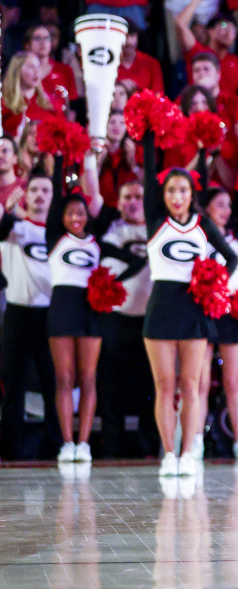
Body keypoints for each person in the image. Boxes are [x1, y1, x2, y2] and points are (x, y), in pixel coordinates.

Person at [139, 131, 238, 477]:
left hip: (194, 310)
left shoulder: (203, 224)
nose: (177, 196)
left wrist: (212, 283)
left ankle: (187, 453)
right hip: (161, 310)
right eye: (171, 191)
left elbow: (231, 259)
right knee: (165, 386)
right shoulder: (155, 220)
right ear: (163, 196)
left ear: (192, 193)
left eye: (183, 190)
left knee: (191, 386)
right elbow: (150, 171)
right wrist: (150, 136)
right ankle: (168, 453)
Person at [44, 155, 138, 463]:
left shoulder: (97, 244)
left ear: (88, 216)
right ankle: (66, 442)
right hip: (61, 309)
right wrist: (59, 158)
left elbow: (136, 260)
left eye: (80, 212)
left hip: (91, 309)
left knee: (88, 377)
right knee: (64, 378)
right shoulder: (55, 238)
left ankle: (84, 443)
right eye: (70, 212)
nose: (75, 217)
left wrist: (108, 282)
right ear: (62, 216)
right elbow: (58, 200)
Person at [97, 179, 157, 457]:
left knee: (150, 387)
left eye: (138, 195)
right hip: (115, 318)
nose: (132, 201)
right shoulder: (110, 230)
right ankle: (111, 446)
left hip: (149, 320)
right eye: (127, 196)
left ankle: (149, 446)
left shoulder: (157, 231)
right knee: (111, 388)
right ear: (118, 202)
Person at [0, 174, 57, 459]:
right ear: (25, 195)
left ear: (52, 196)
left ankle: (55, 447)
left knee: (52, 385)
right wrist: (7, 210)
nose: (39, 195)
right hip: (17, 315)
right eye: (33, 189)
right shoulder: (14, 228)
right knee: (14, 387)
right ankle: (9, 451)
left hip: (50, 318)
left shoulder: (61, 234)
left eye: (45, 190)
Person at [201, 188, 238, 461]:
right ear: (206, 208)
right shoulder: (200, 238)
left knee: (232, 381)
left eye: (229, 205)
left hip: (231, 312)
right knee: (198, 382)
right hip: (204, 311)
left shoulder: (237, 243)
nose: (226, 210)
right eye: (219, 204)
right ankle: (195, 441)